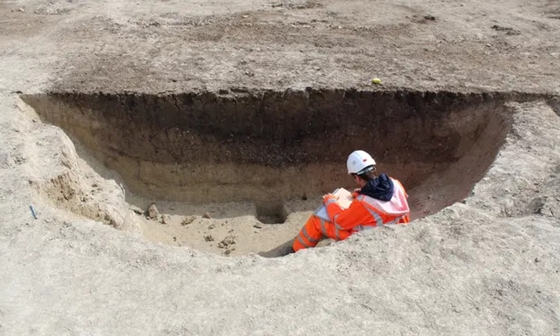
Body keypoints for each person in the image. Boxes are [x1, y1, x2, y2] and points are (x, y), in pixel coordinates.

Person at [292, 150, 411, 252]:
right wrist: (361, 194)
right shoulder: (395, 183)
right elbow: (384, 202)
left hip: (372, 239)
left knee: (318, 219)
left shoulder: (364, 203)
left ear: (357, 178)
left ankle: (297, 250)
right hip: (399, 229)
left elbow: (340, 222)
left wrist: (330, 202)